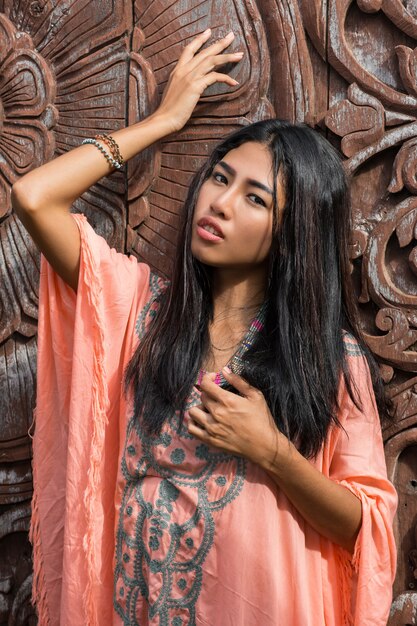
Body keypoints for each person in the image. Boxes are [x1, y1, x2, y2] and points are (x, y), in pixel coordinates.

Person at [12, 28, 397, 626]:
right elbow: (35, 197)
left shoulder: (327, 358)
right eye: (219, 178)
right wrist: (163, 121)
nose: (219, 203)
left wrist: (272, 450)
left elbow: (365, 522)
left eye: (256, 199)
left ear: (293, 234)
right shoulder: (140, 309)